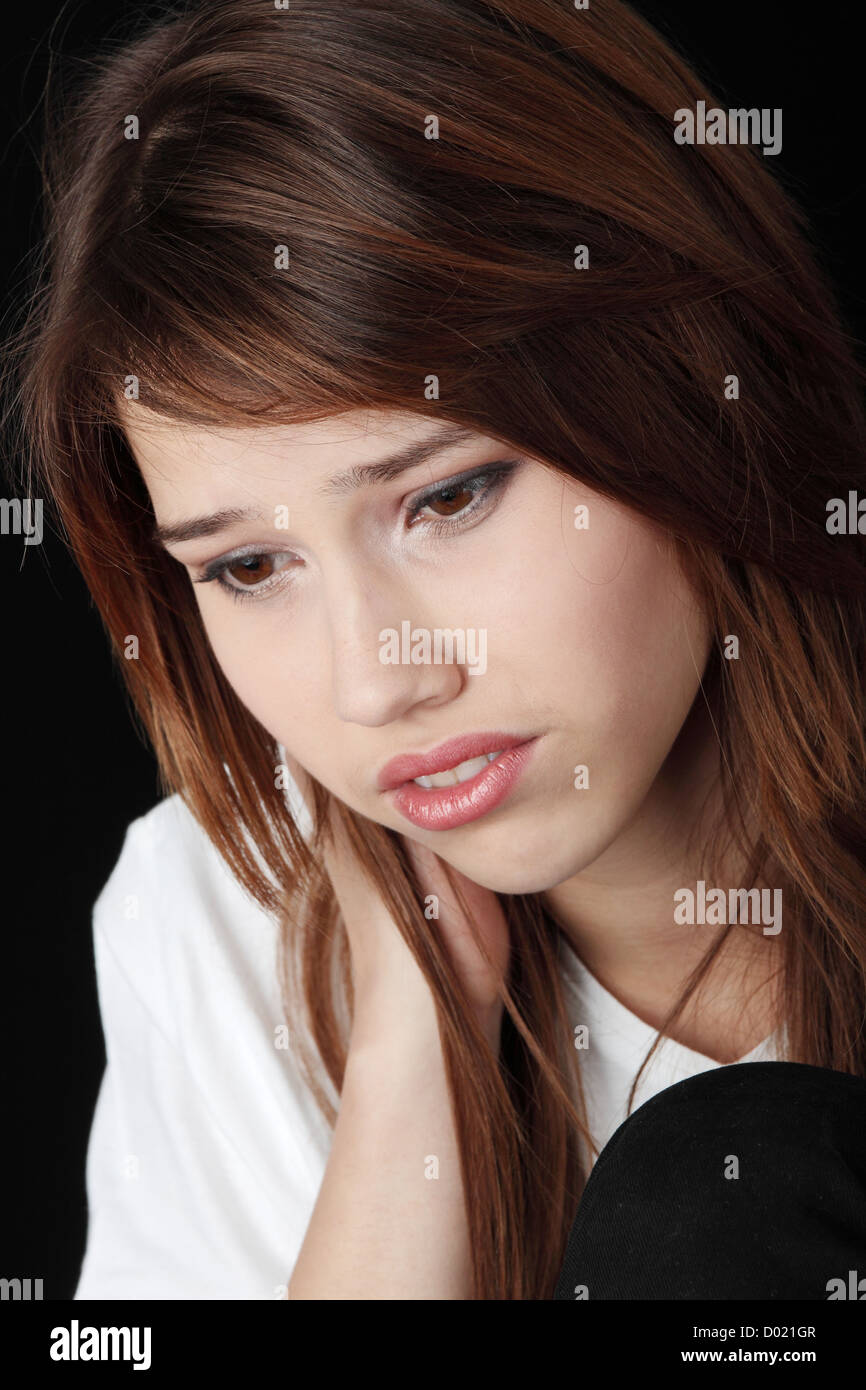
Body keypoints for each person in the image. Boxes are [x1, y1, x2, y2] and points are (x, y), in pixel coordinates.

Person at [4, 0, 864, 1301]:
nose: (375, 680)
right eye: (246, 566)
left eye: (446, 497)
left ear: (689, 382)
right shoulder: (223, 916)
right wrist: (411, 1076)